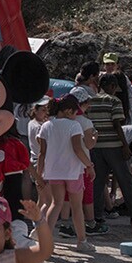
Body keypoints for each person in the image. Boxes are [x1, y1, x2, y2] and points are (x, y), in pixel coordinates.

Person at [40, 93, 95, 253]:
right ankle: (81, 241)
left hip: (53, 172)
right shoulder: (74, 126)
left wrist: (40, 174)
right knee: (76, 207)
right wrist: (89, 165)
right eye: (75, 112)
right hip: (73, 171)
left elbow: (42, 153)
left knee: (55, 204)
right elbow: (78, 149)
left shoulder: (46, 126)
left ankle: (46, 242)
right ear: (68, 110)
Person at [79, 64, 132, 225]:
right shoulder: (114, 101)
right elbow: (117, 125)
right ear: (111, 86)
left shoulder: (90, 102)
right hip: (113, 147)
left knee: (98, 182)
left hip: (96, 147)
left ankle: (96, 215)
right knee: (126, 180)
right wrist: (125, 145)